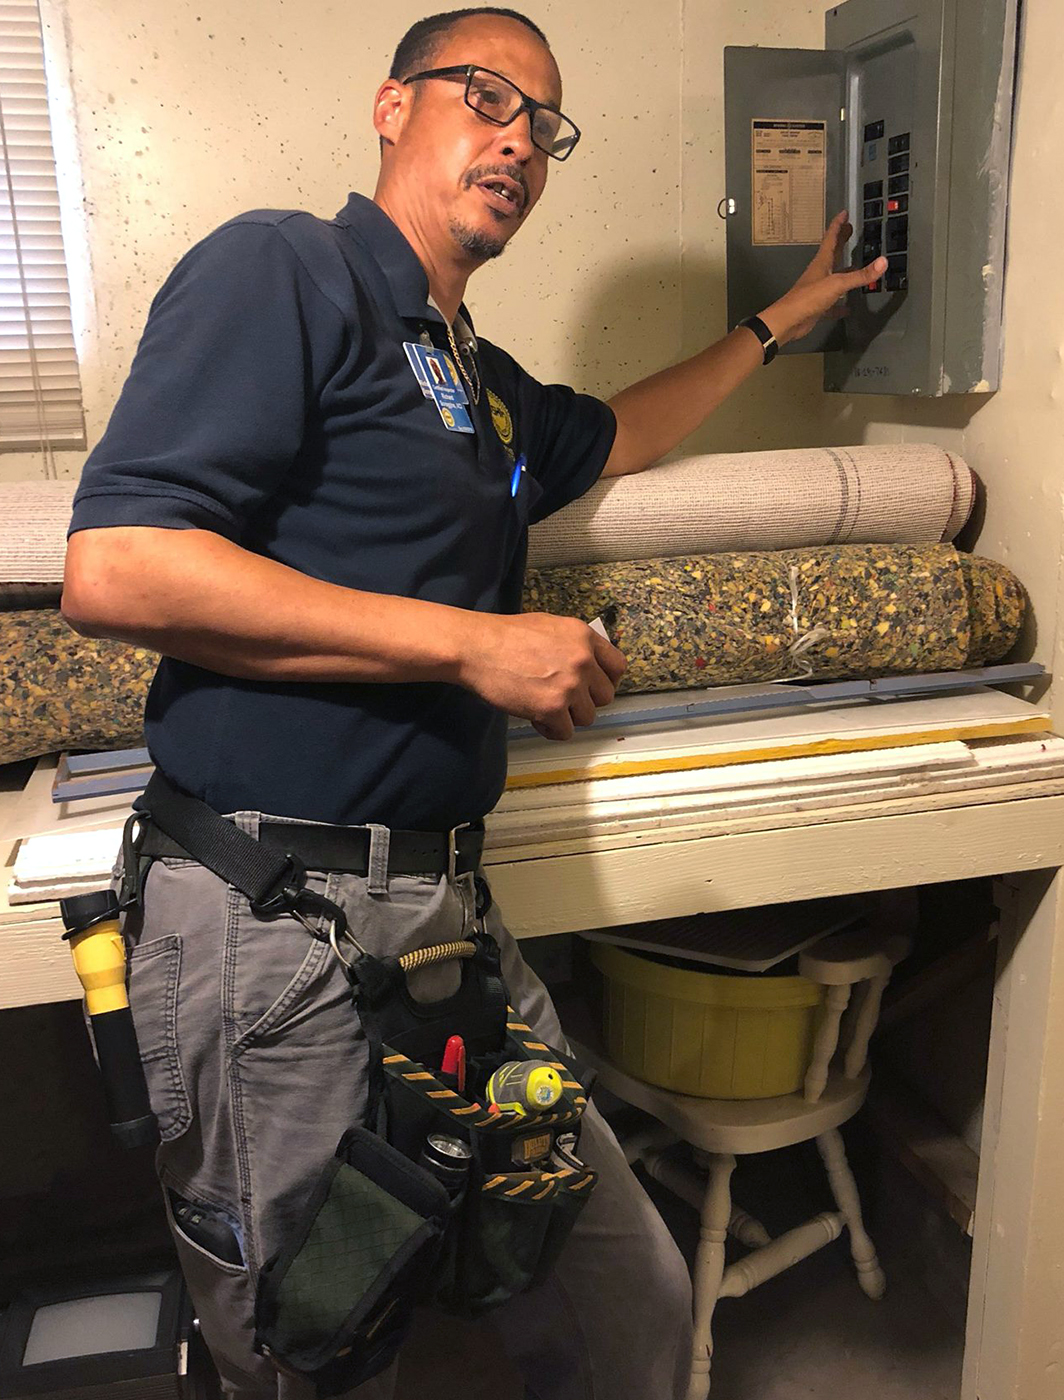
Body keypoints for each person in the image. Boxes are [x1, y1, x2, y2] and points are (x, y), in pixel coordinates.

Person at [61, 9, 886, 1399]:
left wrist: (779, 321)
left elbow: (622, 428)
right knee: (308, 1346)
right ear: (392, 107)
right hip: (271, 918)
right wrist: (473, 647)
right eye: (484, 95)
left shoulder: (472, 384)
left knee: (623, 1295)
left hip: (444, 918)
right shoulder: (289, 269)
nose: (517, 137)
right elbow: (120, 566)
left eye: (544, 125)